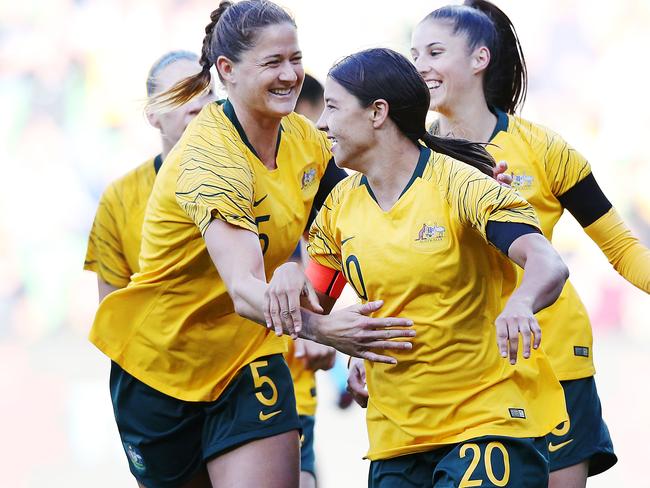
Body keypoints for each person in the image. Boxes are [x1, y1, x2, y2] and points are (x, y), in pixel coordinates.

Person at [87, 2, 415, 487]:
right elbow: (244, 290)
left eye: (295, 58)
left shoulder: (304, 138)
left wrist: (315, 290)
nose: (290, 75)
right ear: (227, 71)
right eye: (273, 62)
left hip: (249, 359)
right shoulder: (208, 157)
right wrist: (326, 330)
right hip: (160, 369)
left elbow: (356, 226)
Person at [410, 2, 649, 485]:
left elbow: (622, 248)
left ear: (480, 59)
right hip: (459, 374)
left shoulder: (545, 149)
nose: (420, 67)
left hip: (554, 357)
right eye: (414, 55)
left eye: (435, 52)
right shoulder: (410, 156)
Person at [307, 47, 570, 487]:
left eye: (332, 106)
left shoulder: (460, 184)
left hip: (487, 422)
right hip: (398, 435)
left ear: (377, 113)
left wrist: (522, 303)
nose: (320, 122)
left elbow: (545, 260)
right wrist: (315, 311)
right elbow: (311, 302)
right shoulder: (339, 206)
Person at [84, 50, 214, 301]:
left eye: (206, 92)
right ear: (153, 115)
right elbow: (114, 312)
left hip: (252, 340)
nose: (197, 105)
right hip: (162, 340)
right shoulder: (119, 200)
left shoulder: (258, 171)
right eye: (181, 94)